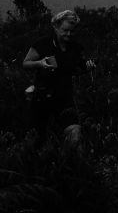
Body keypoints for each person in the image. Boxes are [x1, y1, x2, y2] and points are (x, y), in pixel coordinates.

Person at [22, 9, 94, 148]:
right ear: (56, 26)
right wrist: (40, 63)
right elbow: (25, 64)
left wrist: (87, 68)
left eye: (72, 31)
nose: (69, 34)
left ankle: (69, 163)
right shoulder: (42, 44)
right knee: (35, 141)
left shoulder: (76, 48)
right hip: (42, 98)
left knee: (75, 134)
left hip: (65, 98)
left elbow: (75, 70)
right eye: (65, 30)